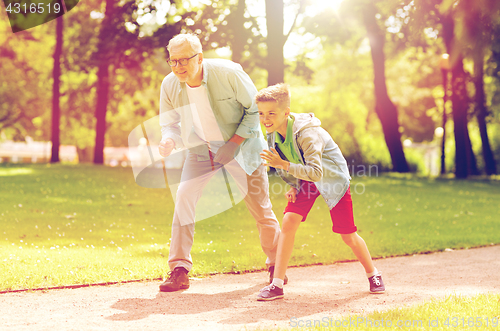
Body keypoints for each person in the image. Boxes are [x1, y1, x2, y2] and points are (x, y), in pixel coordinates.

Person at [158, 33, 284, 292]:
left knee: (261, 209)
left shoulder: (229, 73)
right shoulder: (170, 84)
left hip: (244, 148)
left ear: (199, 57)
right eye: (173, 61)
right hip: (201, 150)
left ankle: (276, 265)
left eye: (184, 60)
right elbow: (169, 124)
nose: (178, 67)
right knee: (184, 198)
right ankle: (179, 269)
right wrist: (169, 140)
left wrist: (233, 143)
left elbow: (254, 111)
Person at [255, 83, 385, 301]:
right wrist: (294, 185)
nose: (265, 119)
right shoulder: (273, 133)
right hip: (307, 177)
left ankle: (374, 274)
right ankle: (276, 285)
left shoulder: (307, 134)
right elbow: (292, 160)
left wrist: (285, 166)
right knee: (288, 222)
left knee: (348, 235)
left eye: (271, 113)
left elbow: (315, 171)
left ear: (286, 112)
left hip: (331, 178)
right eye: (261, 113)